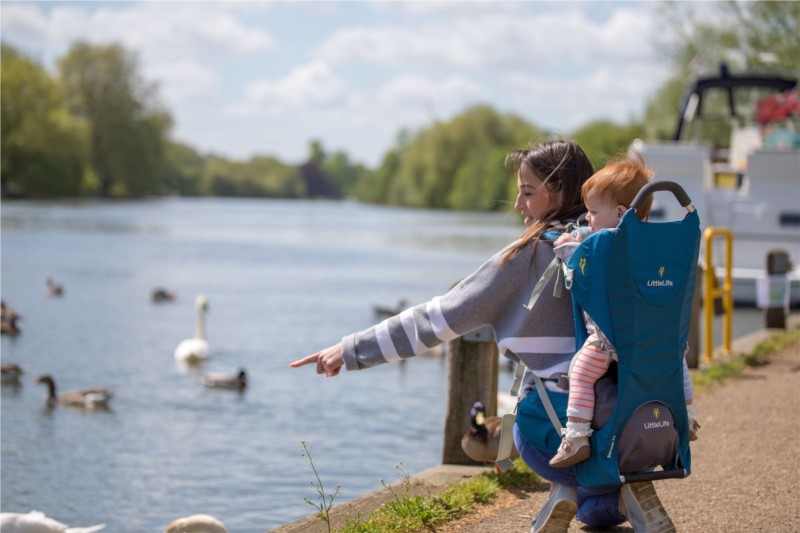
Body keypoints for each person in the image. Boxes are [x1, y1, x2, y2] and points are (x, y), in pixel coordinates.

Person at [291, 139, 674, 532]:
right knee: (594, 514)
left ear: (558, 193)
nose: (517, 205)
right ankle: (619, 496)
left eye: (527, 192)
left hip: (568, 431)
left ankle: (570, 489)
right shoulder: (630, 249)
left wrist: (350, 350)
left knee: (524, 429)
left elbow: (436, 319)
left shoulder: (524, 260)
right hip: (644, 425)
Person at [547, 155, 700, 469]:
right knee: (676, 363)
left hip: (613, 339)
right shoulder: (655, 242)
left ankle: (576, 436)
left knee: (580, 372)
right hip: (659, 338)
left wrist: (566, 249)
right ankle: (689, 416)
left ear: (618, 213)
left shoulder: (608, 243)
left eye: (592, 212)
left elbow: (581, 269)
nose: (587, 219)